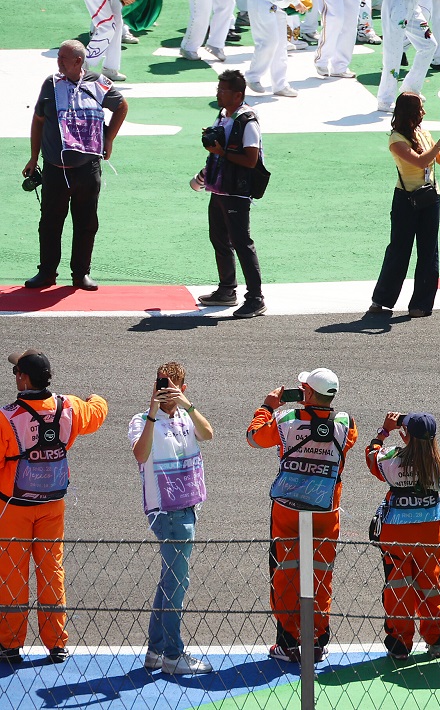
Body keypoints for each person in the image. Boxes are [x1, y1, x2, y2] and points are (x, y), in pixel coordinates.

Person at [0, 350, 108, 663]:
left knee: (12, 575)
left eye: (16, 372)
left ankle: (9, 644)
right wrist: (95, 398)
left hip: (14, 506)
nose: (15, 376)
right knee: (51, 572)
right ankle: (57, 643)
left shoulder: (6, 417)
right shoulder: (69, 407)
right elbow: (98, 411)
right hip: (52, 504)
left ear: (23, 379)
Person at [246, 368, 358, 663]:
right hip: (325, 510)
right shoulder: (346, 423)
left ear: (307, 393)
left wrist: (268, 407)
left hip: (288, 509)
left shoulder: (286, 419)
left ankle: (288, 642)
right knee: (321, 575)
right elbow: (344, 441)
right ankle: (317, 642)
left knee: (285, 573)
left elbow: (254, 438)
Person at [22, 40, 128, 291]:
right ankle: (47, 273)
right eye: (58, 57)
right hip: (54, 170)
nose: (58, 62)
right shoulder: (50, 84)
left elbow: (121, 106)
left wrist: (109, 139)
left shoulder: (97, 82)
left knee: (86, 223)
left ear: (78, 61)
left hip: (87, 169)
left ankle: (81, 274)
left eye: (63, 58)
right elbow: (38, 120)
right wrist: (33, 157)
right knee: (49, 223)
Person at [129, 361, 214, 673]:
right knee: (177, 583)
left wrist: (187, 404)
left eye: (172, 386)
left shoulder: (188, 416)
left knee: (169, 581)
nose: (166, 392)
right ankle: (174, 655)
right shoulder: (141, 420)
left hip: (188, 507)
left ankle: (156, 651)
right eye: (161, 385)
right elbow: (140, 454)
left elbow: (208, 434)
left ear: (182, 388)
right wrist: (154, 411)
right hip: (166, 512)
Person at [366, 412, 440, 660]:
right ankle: (436, 639)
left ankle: (400, 643)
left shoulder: (391, 458)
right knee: (429, 583)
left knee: (398, 586)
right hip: (429, 533)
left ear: (407, 434)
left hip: (396, 532)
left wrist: (383, 432)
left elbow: (371, 457)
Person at [368, 93, 440, 319]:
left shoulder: (423, 133)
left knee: (429, 251)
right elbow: (420, 162)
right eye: (420, 109)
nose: (423, 112)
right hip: (405, 199)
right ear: (409, 112)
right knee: (399, 250)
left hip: (430, 197)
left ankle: (421, 304)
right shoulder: (396, 139)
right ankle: (382, 300)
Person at [194, 71, 267, 319]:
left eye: (222, 90)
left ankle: (256, 299)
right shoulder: (223, 115)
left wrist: (222, 152)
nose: (218, 94)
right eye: (218, 89)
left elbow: (251, 160)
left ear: (237, 95)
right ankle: (227, 290)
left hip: (237, 191)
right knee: (219, 239)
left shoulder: (247, 120)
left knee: (242, 243)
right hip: (219, 188)